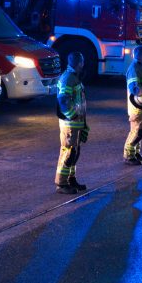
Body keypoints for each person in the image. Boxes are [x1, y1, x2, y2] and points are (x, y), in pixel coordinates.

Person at [54, 51, 89, 194]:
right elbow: (63, 100)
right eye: (82, 62)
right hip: (70, 124)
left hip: (76, 123)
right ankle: (62, 184)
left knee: (74, 152)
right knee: (69, 153)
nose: (83, 65)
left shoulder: (73, 77)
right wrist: (73, 116)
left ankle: (71, 179)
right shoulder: (68, 78)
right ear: (79, 63)